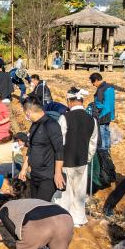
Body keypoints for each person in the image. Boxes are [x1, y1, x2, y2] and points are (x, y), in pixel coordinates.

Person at [53, 87, 98, 227]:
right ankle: (78, 219)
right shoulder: (92, 120)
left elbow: (60, 142)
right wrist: (88, 157)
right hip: (82, 161)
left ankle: (63, 219)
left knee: (64, 193)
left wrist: (57, 166)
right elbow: (93, 142)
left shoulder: (64, 118)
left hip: (66, 161)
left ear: (70, 101)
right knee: (79, 192)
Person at [18, 99, 64, 201]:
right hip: (35, 175)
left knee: (42, 208)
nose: (26, 117)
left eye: (26, 114)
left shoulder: (51, 125)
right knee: (34, 205)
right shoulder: (34, 125)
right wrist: (24, 168)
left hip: (47, 176)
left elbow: (59, 150)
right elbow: (31, 148)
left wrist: (58, 173)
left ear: (29, 112)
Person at [89, 72, 116, 151]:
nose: (93, 85)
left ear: (97, 80)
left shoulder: (101, 89)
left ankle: (103, 151)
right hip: (110, 113)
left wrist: (95, 113)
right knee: (107, 131)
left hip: (102, 115)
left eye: (93, 82)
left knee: (101, 133)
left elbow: (99, 104)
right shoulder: (109, 87)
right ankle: (108, 148)